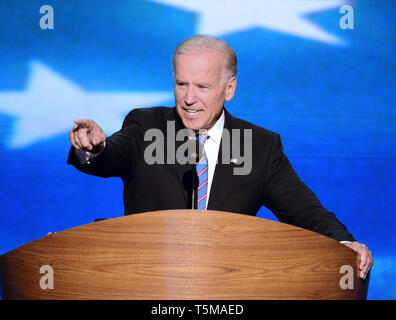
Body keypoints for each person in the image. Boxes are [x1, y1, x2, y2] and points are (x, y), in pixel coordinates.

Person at [68, 35, 373, 279]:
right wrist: (94, 148)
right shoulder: (146, 126)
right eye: (181, 84)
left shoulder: (259, 146)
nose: (189, 99)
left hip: (228, 290)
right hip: (147, 286)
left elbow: (305, 212)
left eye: (202, 87)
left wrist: (346, 245)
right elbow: (113, 153)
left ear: (229, 89)